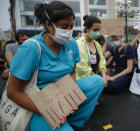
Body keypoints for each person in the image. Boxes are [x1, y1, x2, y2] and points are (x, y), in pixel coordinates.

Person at [7, 1, 104, 131]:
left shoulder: (71, 44)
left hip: (62, 92)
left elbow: (73, 72)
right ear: (49, 25)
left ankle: (75, 122)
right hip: (39, 100)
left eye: (71, 26)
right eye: (64, 26)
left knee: (97, 81)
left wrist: (71, 97)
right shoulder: (31, 48)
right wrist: (50, 109)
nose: (69, 31)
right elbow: (13, 92)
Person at [76, 15, 108, 86]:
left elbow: (102, 61)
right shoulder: (79, 44)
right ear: (87, 29)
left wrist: (104, 76)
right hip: (83, 79)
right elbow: (83, 67)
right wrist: (99, 79)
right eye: (95, 30)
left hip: (96, 77)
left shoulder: (96, 44)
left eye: (99, 30)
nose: (97, 33)